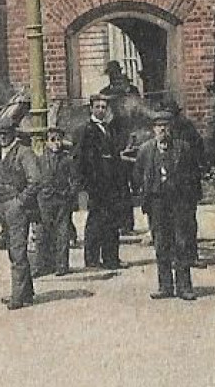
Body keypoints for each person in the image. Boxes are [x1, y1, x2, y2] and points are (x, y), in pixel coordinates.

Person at [134, 110, 204, 300]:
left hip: (179, 202)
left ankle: (184, 287)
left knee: (181, 243)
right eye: (159, 126)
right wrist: (145, 196)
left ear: (171, 128)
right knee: (161, 244)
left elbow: (194, 175)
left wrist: (191, 202)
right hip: (157, 203)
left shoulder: (183, 148)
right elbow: (137, 176)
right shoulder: (145, 150)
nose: (163, 130)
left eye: (166, 126)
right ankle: (165, 286)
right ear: (153, 129)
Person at [74, 92, 129, 271]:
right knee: (96, 222)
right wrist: (85, 185)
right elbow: (79, 159)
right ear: (91, 108)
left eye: (104, 107)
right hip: (96, 185)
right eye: (97, 107)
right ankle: (92, 260)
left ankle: (111, 258)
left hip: (111, 184)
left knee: (112, 222)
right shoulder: (85, 130)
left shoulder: (110, 130)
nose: (101, 110)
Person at [0, 124, 41, 309]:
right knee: (12, 249)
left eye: (6, 134)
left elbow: (35, 180)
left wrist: (20, 202)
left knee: (18, 250)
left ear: (14, 134)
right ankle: (25, 292)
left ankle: (18, 297)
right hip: (3, 206)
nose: (2, 137)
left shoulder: (24, 153)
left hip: (17, 207)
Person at [32, 125, 81, 275]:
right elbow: (34, 180)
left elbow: (75, 180)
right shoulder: (39, 159)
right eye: (52, 140)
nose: (56, 143)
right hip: (44, 200)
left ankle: (61, 266)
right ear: (46, 142)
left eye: (59, 140)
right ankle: (42, 265)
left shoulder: (67, 159)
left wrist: (70, 195)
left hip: (62, 200)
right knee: (42, 235)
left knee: (62, 233)